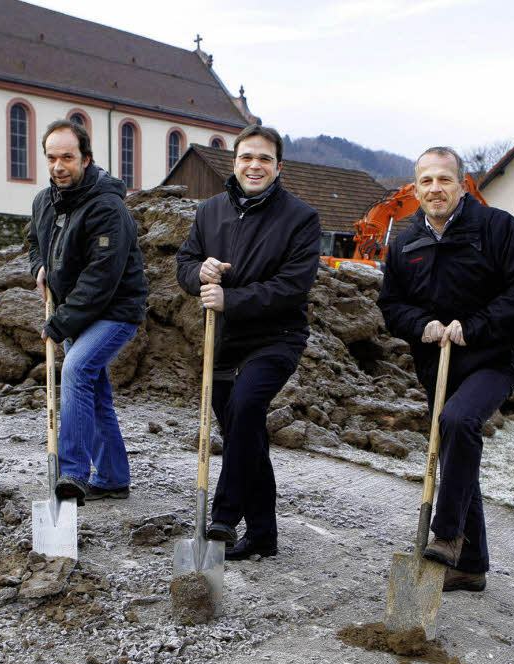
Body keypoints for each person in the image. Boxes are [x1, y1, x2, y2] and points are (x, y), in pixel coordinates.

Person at [377, 146, 514, 592]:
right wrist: (424, 325)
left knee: (457, 421)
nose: (436, 189)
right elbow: (392, 305)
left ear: (462, 183)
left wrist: (473, 327)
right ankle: (471, 566)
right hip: (437, 363)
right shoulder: (404, 243)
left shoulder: (497, 229)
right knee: (456, 446)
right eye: (426, 182)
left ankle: (449, 534)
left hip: (494, 357)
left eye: (445, 180)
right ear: (415, 189)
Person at [175, 124, 321, 560]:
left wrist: (230, 298)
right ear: (234, 161)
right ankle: (262, 535)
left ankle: (223, 516)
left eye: (263, 159)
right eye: (246, 157)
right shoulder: (210, 211)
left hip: (276, 338)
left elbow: (293, 286)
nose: (254, 166)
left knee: (245, 407)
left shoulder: (301, 218)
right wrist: (198, 274)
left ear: (278, 167)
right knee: (245, 434)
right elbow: (184, 262)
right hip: (223, 341)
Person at [27, 119, 147, 505]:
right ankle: (112, 478)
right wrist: (39, 267)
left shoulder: (107, 208)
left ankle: (73, 475)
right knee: (93, 392)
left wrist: (59, 324)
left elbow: (101, 280)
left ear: (86, 159)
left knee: (77, 369)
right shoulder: (44, 201)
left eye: (67, 157)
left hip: (115, 311)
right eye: (51, 158)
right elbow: (34, 241)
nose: (59, 166)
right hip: (76, 312)